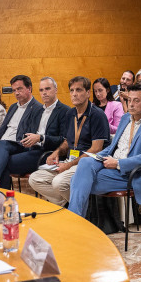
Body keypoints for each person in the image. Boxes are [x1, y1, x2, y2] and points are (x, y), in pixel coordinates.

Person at [67, 83, 141, 218]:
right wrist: (93, 156)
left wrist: (118, 163)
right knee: (85, 163)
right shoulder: (126, 117)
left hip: (135, 173)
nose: (131, 104)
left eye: (136, 100)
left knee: (77, 180)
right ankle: (77, 220)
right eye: (129, 100)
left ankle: (75, 220)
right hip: (111, 165)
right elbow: (113, 147)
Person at [28, 76, 110, 207]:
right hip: (70, 161)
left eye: (78, 90)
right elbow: (68, 141)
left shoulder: (97, 115)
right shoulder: (70, 114)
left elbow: (96, 149)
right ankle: (71, 206)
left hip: (87, 164)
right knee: (35, 179)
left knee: (58, 182)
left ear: (88, 93)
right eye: (71, 90)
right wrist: (56, 152)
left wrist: (69, 165)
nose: (74, 94)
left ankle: (79, 209)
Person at [0, 76, 72, 190]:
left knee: (3, 162)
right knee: (2, 144)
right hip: (29, 148)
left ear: (56, 90)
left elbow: (64, 140)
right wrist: (27, 139)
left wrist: (41, 138)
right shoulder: (38, 110)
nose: (44, 93)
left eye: (48, 89)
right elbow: (29, 131)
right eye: (41, 90)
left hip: (46, 153)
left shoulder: (65, 111)